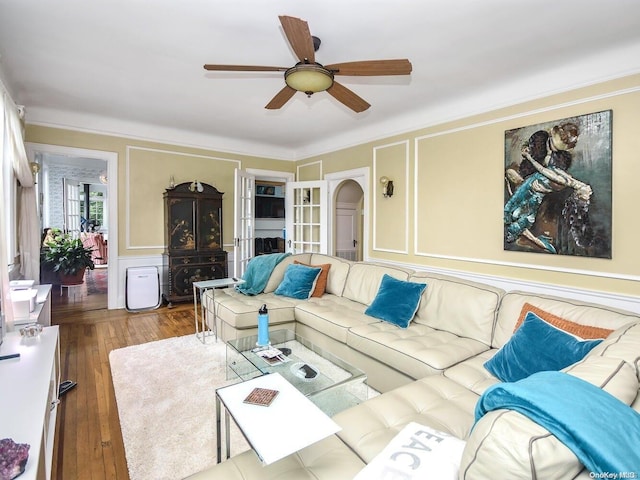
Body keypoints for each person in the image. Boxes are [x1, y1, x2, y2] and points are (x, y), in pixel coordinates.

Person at [504, 144, 592, 254]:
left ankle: (539, 242)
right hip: (528, 192)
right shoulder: (559, 173)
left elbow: (541, 169)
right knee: (516, 214)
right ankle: (533, 239)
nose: (548, 157)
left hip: (531, 195)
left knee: (519, 217)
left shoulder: (561, 177)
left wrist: (529, 157)